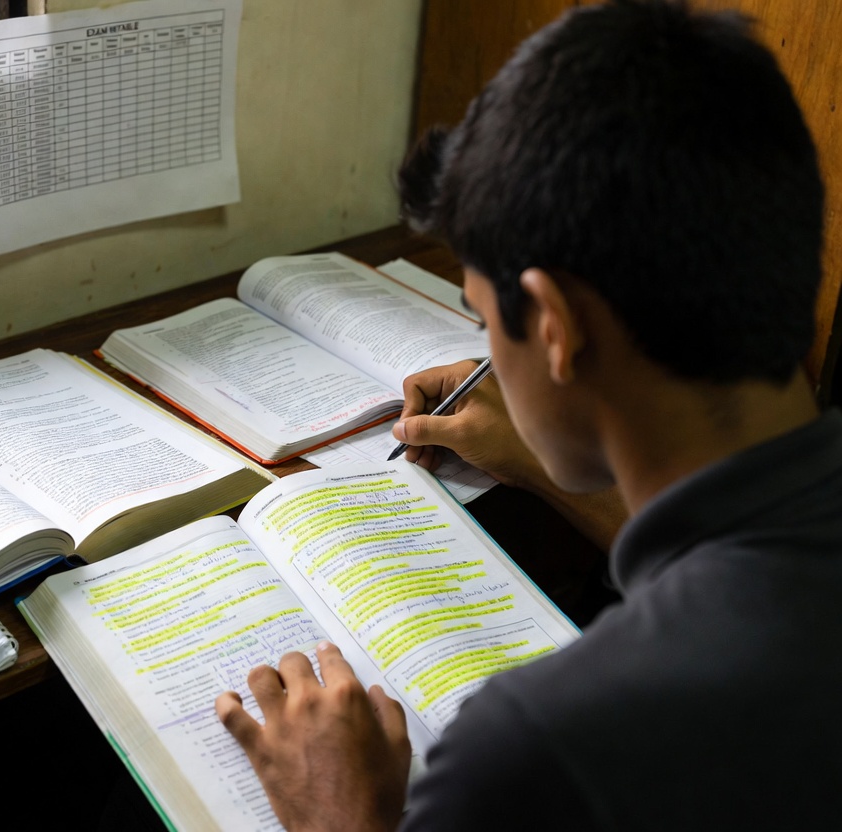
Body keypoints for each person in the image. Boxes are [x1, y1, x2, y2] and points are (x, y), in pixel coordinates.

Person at [214, 0, 842, 829]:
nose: (484, 351)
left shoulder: (532, 751)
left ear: (554, 327)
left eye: (482, 320)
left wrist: (342, 814)